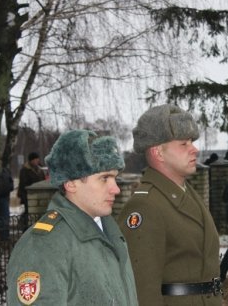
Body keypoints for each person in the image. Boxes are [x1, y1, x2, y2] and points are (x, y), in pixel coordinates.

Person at [7, 129, 138, 305]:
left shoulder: (111, 233)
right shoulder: (44, 245)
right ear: (71, 183)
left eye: (115, 178)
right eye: (104, 178)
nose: (116, 189)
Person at [118, 104, 221, 305]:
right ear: (158, 152)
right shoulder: (145, 206)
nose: (194, 149)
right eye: (184, 144)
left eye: (192, 141)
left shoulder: (185, 193)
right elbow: (142, 289)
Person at [17, 152, 46, 229]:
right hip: (28, 195)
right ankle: (25, 227)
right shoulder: (25, 170)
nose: (37, 161)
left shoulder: (40, 170)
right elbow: (23, 184)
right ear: (31, 160)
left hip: (40, 196)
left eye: (38, 159)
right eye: (35, 159)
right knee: (28, 213)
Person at [0, 167, 14, 241]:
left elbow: (11, 184)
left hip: (4, 196)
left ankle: (4, 237)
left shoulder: (5, 170)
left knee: (4, 218)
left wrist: (7, 189)